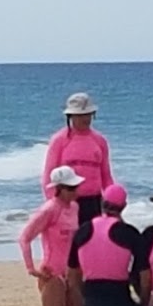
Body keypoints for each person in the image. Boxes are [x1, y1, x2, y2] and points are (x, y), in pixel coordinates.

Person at [0, 165, 84, 306]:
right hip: (52, 274)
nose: (75, 191)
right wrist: (31, 269)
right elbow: (24, 238)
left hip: (71, 272)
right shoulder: (49, 210)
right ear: (59, 189)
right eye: (71, 188)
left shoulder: (75, 208)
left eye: (76, 187)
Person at [68, 184, 153, 306]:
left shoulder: (82, 230)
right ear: (123, 207)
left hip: (91, 297)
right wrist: (143, 303)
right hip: (118, 296)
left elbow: (73, 275)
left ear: (102, 203)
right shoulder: (129, 232)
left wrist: (84, 299)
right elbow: (146, 277)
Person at [42, 92, 114, 225]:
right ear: (71, 116)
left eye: (88, 114)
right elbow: (48, 177)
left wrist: (113, 201)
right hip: (67, 202)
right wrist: (53, 205)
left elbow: (106, 176)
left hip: (94, 202)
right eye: (80, 115)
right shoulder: (59, 141)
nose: (85, 119)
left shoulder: (100, 141)